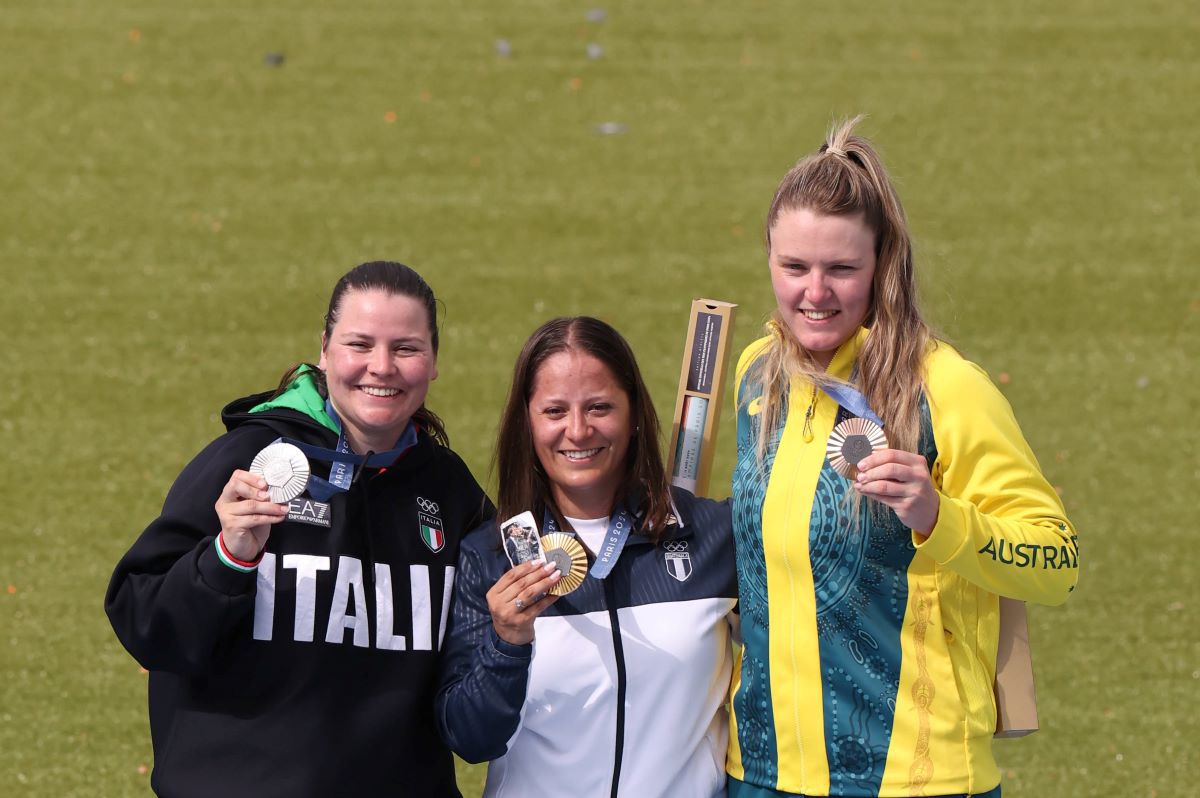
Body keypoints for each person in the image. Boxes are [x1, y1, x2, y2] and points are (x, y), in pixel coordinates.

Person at [726, 119, 1079, 798]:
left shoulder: (946, 389)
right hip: (760, 775)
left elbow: (1056, 561)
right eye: (794, 267)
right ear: (768, 256)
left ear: (883, 264)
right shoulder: (757, 378)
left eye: (842, 269)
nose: (815, 293)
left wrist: (938, 517)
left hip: (916, 780)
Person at [105, 261, 491, 798]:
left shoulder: (449, 491)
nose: (381, 367)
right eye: (360, 344)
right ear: (325, 349)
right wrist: (225, 559)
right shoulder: (248, 459)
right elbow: (146, 624)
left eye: (405, 348)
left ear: (433, 363)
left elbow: (480, 668)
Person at [436, 316, 738, 797]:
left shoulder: (713, 537)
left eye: (600, 407)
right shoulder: (490, 556)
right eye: (554, 411)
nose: (578, 431)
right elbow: (470, 739)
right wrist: (507, 645)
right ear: (527, 423)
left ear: (635, 413)